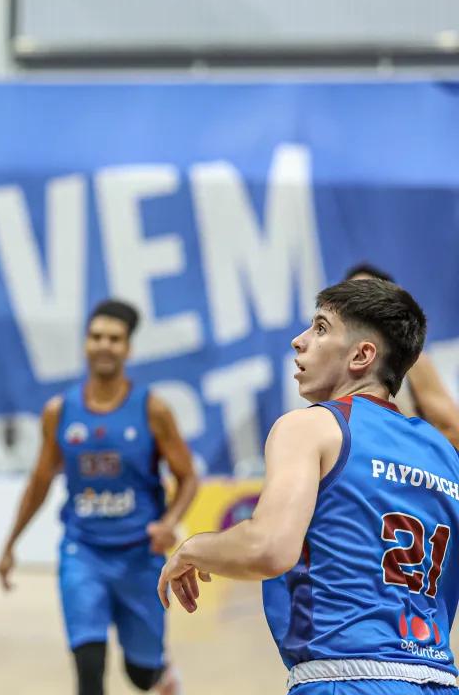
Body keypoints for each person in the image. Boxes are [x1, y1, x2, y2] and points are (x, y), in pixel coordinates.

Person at [158, 278, 459, 694]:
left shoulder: (311, 426)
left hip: (345, 678)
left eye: (320, 328)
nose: (299, 341)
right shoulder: (444, 454)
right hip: (438, 680)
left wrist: (194, 548)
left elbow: (268, 548)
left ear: (361, 355)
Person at [0, 300, 198, 695]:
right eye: (96, 336)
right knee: (89, 668)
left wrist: (170, 522)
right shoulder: (60, 412)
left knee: (141, 675)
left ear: (128, 349)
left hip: (140, 555)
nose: (104, 345)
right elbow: (39, 482)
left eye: (114, 338)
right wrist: (10, 544)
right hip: (83, 552)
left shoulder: (153, 410)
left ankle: (160, 669)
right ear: (85, 344)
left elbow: (188, 477)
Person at [344, 263, 459, 449]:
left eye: (369, 296)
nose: (360, 306)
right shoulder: (331, 366)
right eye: (352, 297)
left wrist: (412, 460)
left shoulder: (411, 361)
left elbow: (452, 429)